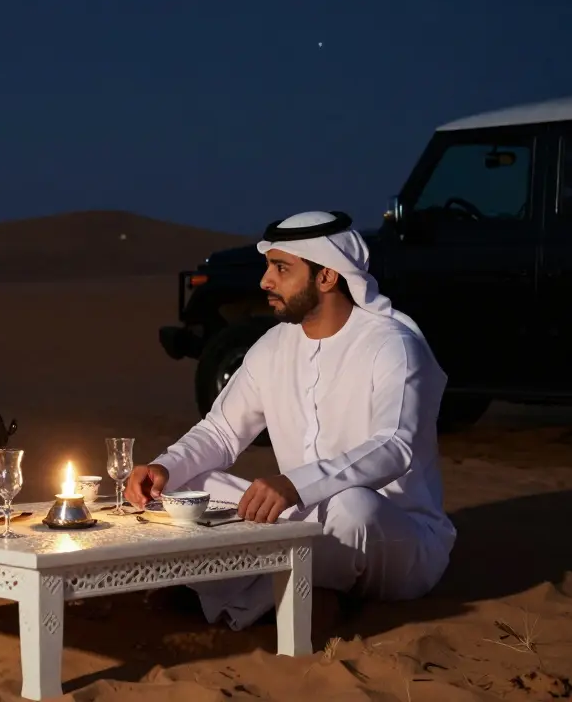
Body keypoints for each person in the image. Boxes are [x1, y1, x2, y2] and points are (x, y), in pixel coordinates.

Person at [125, 210, 457, 630]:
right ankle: (304, 594)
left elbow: (395, 446)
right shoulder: (272, 346)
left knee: (352, 507)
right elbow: (221, 432)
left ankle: (238, 602)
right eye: (268, 267)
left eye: (281, 268)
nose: (265, 281)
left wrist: (296, 484)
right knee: (186, 489)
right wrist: (164, 467)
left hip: (393, 534)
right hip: (295, 523)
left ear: (327, 277)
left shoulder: (393, 345)